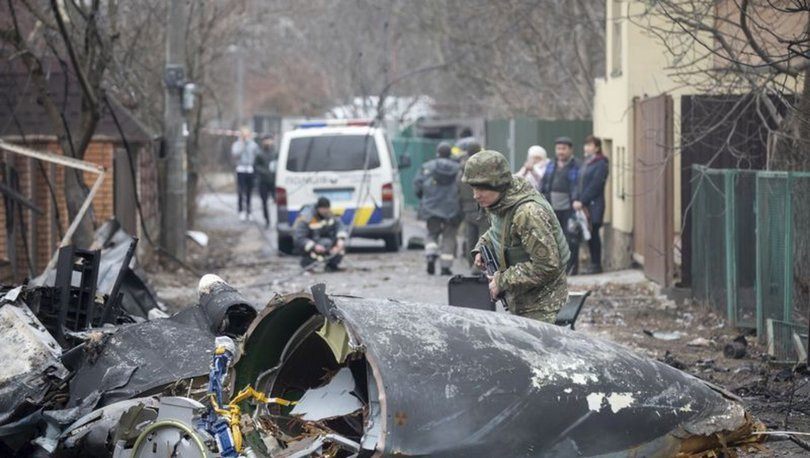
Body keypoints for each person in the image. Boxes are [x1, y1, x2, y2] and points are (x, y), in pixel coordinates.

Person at [463, 150, 570, 323]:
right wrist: (482, 247)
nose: (476, 195)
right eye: (473, 188)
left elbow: (547, 266)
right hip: (522, 301)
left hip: (542, 306)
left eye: (481, 188)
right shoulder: (501, 202)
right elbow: (499, 231)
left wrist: (501, 281)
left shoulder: (528, 213)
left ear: (498, 184)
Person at [413, 141, 462, 275]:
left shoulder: (427, 167)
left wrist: (424, 198)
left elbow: (417, 185)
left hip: (431, 207)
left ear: (437, 153)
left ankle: (430, 254)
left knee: (432, 233)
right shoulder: (458, 169)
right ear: (450, 153)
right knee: (449, 236)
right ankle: (445, 266)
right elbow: (463, 187)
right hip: (452, 208)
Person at [540, 136, 581, 275]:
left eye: (563, 149)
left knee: (571, 239)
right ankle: (557, 268)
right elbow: (544, 184)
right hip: (552, 208)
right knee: (553, 239)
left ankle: (571, 268)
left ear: (570, 150)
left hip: (570, 209)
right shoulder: (551, 164)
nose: (561, 152)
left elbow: (579, 186)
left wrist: (577, 200)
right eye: (558, 148)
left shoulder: (577, 165)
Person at [573, 135, 609, 274]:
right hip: (582, 205)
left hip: (594, 205)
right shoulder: (586, 162)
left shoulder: (601, 163)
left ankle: (596, 264)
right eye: (585, 145)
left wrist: (582, 200)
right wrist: (576, 199)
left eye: (590, 145)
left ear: (597, 147)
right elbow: (578, 183)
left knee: (594, 234)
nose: (586, 147)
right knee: (587, 235)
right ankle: (591, 264)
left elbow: (596, 185)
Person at [457, 142, 489, 273]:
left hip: (467, 208)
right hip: (482, 206)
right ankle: (478, 267)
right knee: (484, 237)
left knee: (470, 237)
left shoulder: (461, 168)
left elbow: (457, 188)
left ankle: (471, 263)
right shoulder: (483, 167)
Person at [292, 197, 347, 271]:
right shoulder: (307, 218)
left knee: (340, 249)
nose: (325, 211)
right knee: (318, 250)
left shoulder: (329, 215)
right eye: (323, 209)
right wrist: (314, 246)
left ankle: (331, 266)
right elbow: (299, 238)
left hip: (325, 242)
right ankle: (307, 264)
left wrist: (340, 240)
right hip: (311, 244)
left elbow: (339, 225)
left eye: (327, 208)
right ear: (318, 208)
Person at [230, 127, 260, 221]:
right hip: (241, 169)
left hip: (250, 169)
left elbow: (257, 155)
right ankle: (241, 210)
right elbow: (235, 154)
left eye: (247, 135)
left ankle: (249, 211)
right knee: (241, 191)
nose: (245, 136)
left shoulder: (253, 145)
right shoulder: (237, 144)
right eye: (243, 135)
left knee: (249, 192)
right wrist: (243, 145)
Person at [254, 133, 277, 228]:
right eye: (265, 140)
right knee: (264, 202)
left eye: (269, 139)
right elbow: (256, 166)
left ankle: (278, 220)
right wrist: (265, 171)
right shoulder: (259, 153)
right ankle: (267, 220)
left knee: (278, 202)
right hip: (263, 181)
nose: (267, 142)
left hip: (274, 181)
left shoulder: (275, 153)